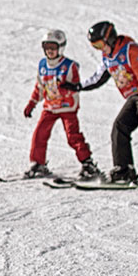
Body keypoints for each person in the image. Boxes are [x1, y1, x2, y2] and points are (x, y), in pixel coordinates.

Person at [60, 21, 138, 185]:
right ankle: (123, 169)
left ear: (109, 38)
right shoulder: (108, 57)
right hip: (135, 95)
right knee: (120, 126)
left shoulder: (131, 50)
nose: (99, 49)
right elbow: (98, 78)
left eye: (100, 44)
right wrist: (77, 86)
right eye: (95, 46)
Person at [22, 30, 99, 179]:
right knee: (39, 134)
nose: (50, 51)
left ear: (61, 47)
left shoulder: (69, 66)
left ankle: (88, 163)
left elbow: (75, 85)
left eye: (53, 47)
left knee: (73, 136)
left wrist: (66, 89)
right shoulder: (43, 65)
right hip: (50, 107)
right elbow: (40, 86)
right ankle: (38, 163)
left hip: (67, 107)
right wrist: (32, 103)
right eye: (47, 47)